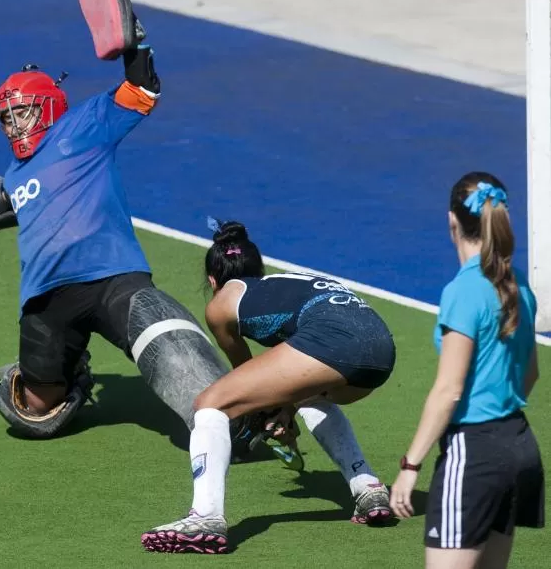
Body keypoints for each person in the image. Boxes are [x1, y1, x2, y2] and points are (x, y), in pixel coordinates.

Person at [0, 28, 239, 475]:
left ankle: (245, 416)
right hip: (45, 298)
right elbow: (8, 208)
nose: (14, 126)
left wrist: (133, 46)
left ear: (48, 108)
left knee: (177, 353)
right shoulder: (14, 175)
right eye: (6, 119)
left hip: (112, 278)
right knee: (33, 412)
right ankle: (74, 375)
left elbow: (142, 90)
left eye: (22, 113)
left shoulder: (85, 126)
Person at [141, 219, 398, 553]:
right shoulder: (292, 283)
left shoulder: (221, 305)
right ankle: (367, 487)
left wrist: (269, 414)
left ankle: (205, 516)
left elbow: (244, 376)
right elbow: (290, 381)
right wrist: (285, 408)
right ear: (259, 269)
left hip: (335, 341)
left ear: (212, 279)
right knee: (313, 397)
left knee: (211, 403)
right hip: (380, 351)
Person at [390, 172, 543, 568]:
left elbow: (449, 391)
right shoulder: (517, 285)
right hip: (520, 448)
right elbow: (531, 374)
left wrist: (410, 466)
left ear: (452, 221)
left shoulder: (464, 291)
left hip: (475, 454)